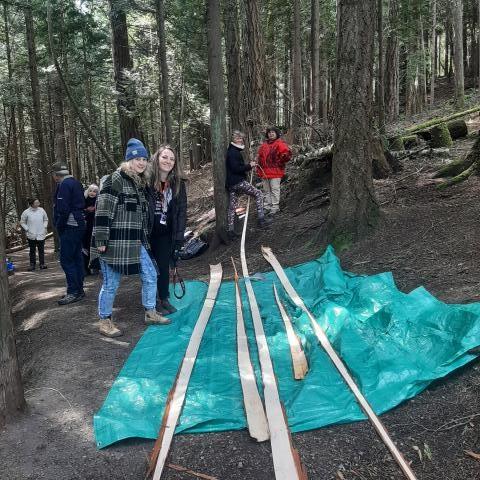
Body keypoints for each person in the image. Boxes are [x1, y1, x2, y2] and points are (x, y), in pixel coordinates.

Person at [91, 138, 170, 338]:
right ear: (128, 160)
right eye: (137, 159)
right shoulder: (115, 179)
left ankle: (150, 312)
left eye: (144, 158)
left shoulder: (140, 183)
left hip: (136, 241)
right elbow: (103, 210)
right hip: (113, 243)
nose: (142, 162)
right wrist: (101, 240)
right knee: (111, 283)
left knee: (151, 274)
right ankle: (104, 320)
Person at [147, 145, 187, 316]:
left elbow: (181, 213)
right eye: (165, 157)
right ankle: (150, 302)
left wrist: (179, 239)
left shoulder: (177, 184)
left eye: (171, 159)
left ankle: (164, 298)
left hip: (165, 233)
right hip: (147, 232)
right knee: (148, 269)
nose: (168, 161)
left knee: (163, 267)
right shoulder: (146, 180)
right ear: (157, 158)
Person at [225, 130, 271, 240]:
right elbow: (236, 168)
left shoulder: (233, 151)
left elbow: (236, 167)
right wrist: (249, 166)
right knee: (258, 193)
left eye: (241, 138)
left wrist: (248, 165)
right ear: (232, 140)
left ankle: (230, 231)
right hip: (238, 182)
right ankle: (261, 220)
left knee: (232, 206)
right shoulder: (233, 152)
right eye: (237, 138)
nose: (240, 140)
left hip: (232, 184)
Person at [52, 163, 86, 305]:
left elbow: (63, 209)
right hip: (79, 223)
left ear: (56, 175)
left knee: (67, 259)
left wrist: (59, 225)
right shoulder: (75, 182)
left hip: (70, 225)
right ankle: (79, 289)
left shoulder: (64, 184)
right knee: (77, 257)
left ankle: (73, 292)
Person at [256, 126, 292, 215]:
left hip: (276, 171)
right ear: (267, 134)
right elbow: (259, 158)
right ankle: (267, 206)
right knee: (266, 191)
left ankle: (275, 207)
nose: (271, 134)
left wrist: (284, 157)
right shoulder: (264, 145)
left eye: (273, 132)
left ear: (276, 134)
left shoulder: (280, 143)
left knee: (275, 190)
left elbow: (286, 155)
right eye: (269, 132)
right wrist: (258, 169)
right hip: (264, 172)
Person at [20, 198, 49, 271]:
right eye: (36, 203)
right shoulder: (26, 212)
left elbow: (46, 219)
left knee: (41, 250)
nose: (38, 204)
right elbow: (22, 222)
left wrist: (44, 226)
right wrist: (27, 229)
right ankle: (32, 265)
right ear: (32, 204)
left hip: (41, 233)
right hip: (31, 234)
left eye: (38, 202)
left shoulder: (42, 210)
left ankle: (42, 264)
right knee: (32, 250)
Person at [83, 184, 99, 275]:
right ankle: (86, 268)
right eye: (91, 190)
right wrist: (86, 210)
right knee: (85, 247)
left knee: (95, 246)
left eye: (95, 191)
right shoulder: (83, 201)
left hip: (95, 227)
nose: (92, 193)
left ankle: (95, 266)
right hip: (85, 228)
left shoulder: (99, 202)